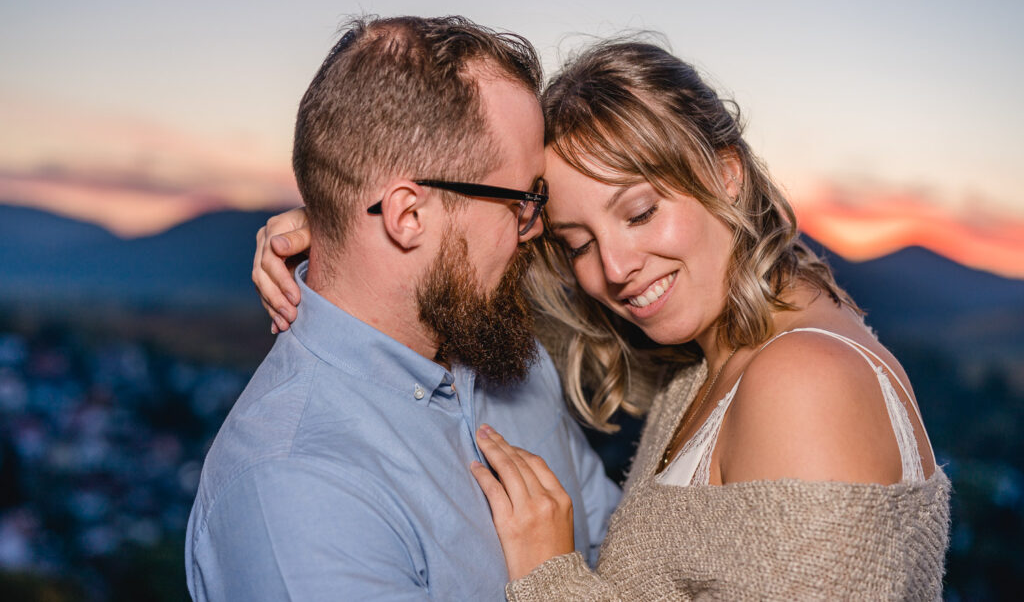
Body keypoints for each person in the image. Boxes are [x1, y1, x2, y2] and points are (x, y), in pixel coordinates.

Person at [255, 39, 951, 599]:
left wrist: (550, 579)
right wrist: (354, 228)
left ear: (726, 174)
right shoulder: (721, 362)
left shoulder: (804, 382)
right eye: (576, 242)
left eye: (640, 210)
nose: (613, 267)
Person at [187, 16, 620, 602]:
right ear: (408, 216)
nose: (534, 228)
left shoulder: (507, 350)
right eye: (521, 201)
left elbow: (626, 553)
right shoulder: (295, 492)